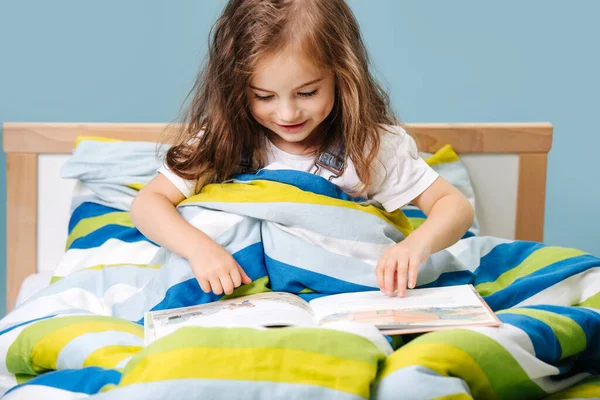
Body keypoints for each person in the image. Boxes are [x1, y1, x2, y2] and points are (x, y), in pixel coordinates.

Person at [130, 0, 474, 299]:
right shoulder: (226, 139)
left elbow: (453, 205)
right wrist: (199, 249)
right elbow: (148, 203)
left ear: (343, 76)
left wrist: (416, 245)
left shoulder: (370, 147)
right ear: (235, 88)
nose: (287, 114)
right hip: (242, 297)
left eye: (307, 93)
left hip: (348, 297)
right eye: (264, 96)